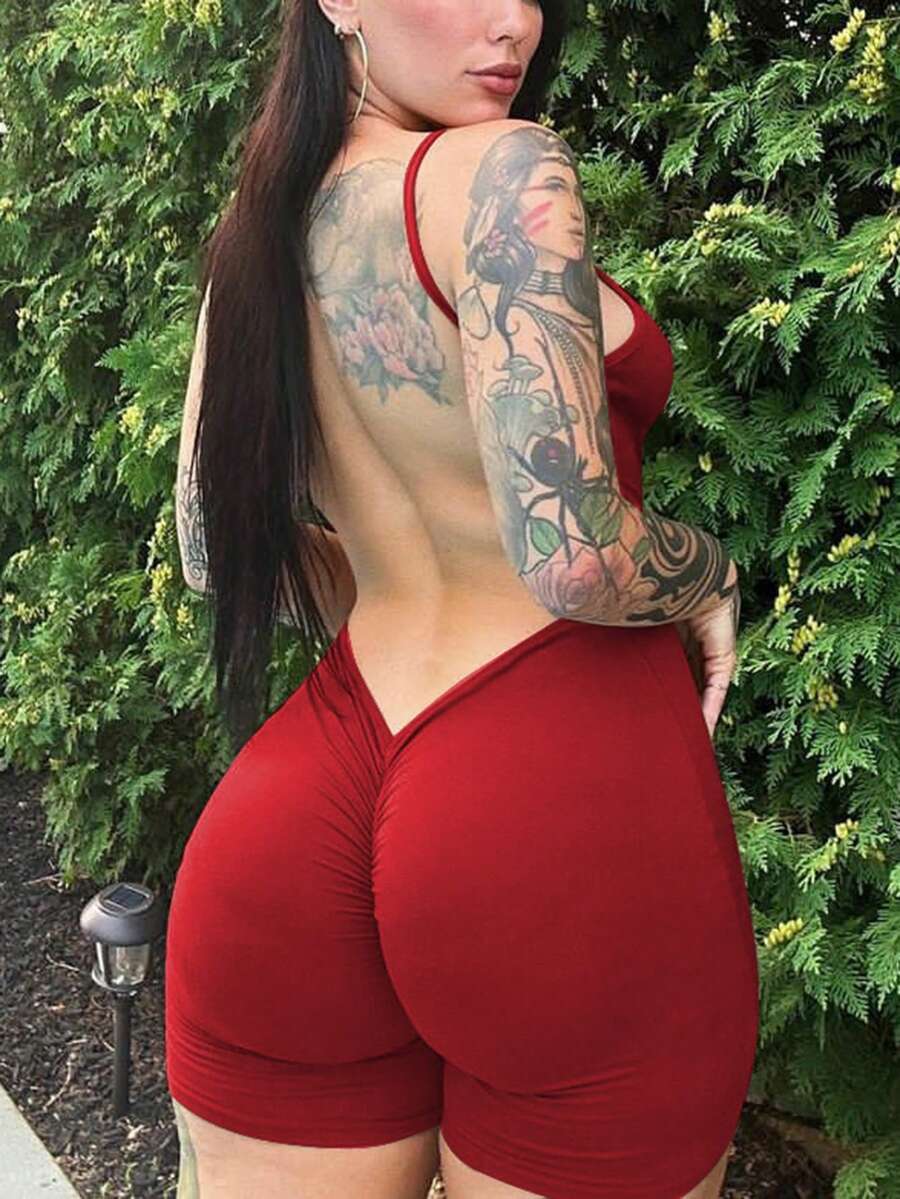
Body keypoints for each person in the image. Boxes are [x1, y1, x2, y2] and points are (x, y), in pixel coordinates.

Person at [164, 2, 759, 1197]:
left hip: (298, 806)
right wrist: (711, 575)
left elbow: (210, 548)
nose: (515, 23)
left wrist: (393, 569)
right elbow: (573, 554)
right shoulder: (502, 170)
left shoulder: (256, 230)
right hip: (548, 821)